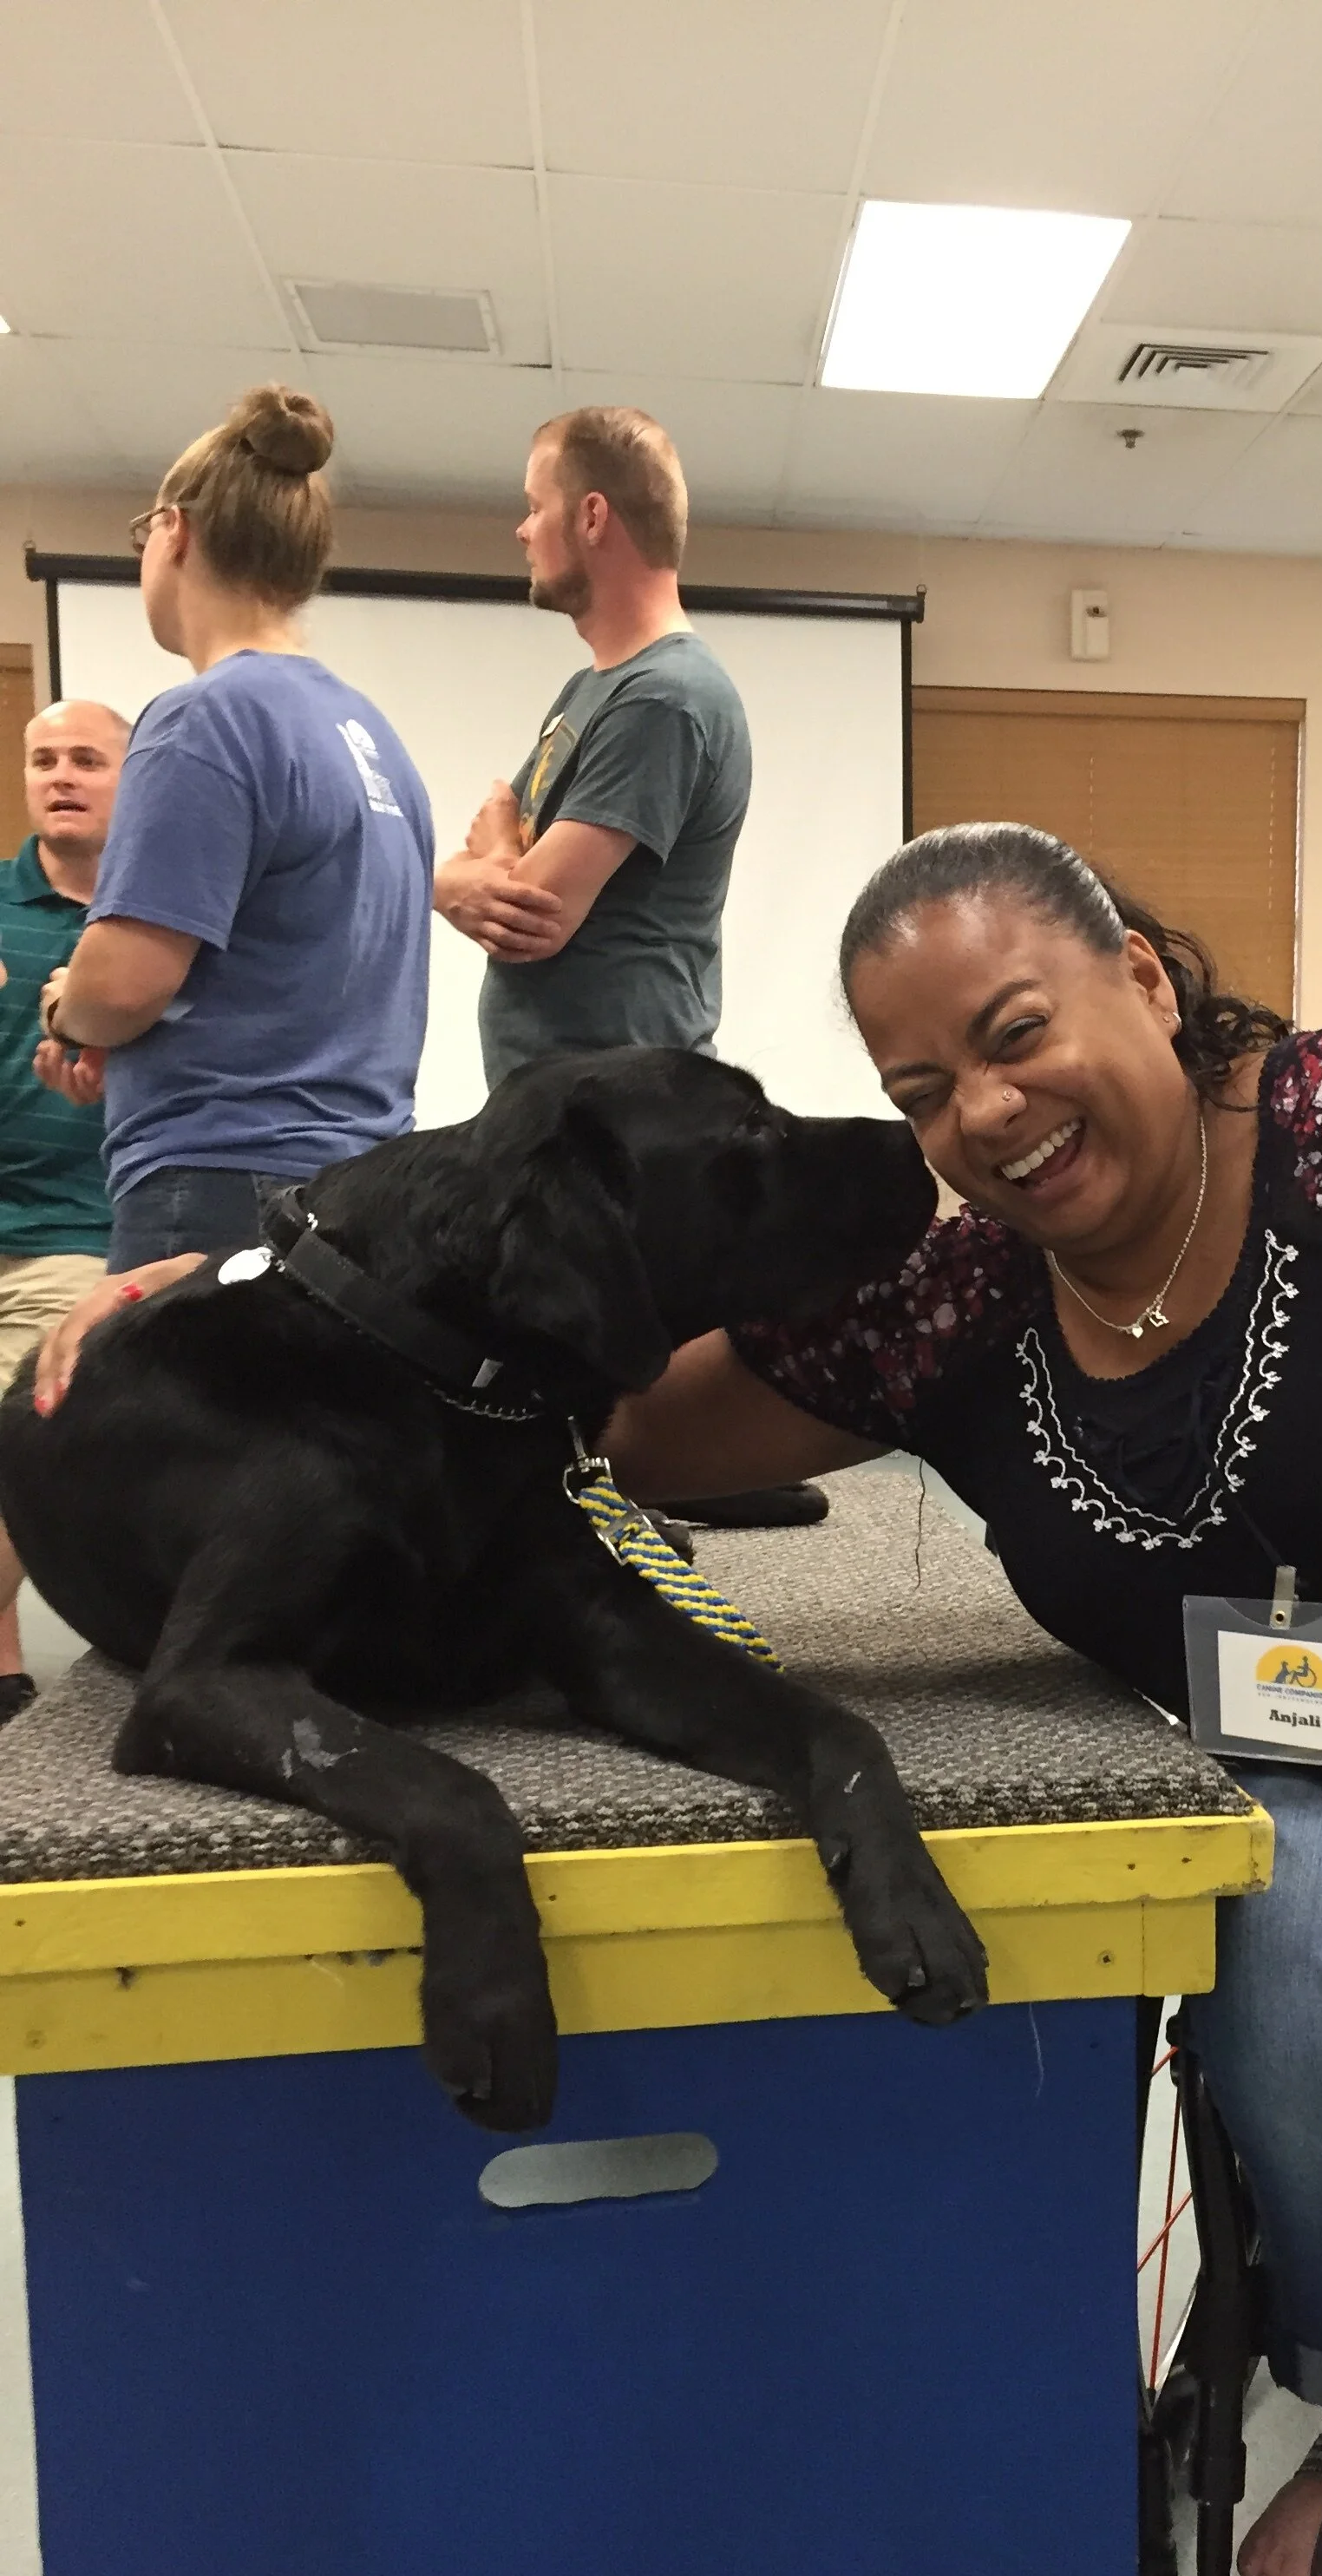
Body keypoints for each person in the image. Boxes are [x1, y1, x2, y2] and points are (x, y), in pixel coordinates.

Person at [32, 823, 1322, 2576]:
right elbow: (629, 1411)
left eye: (1015, 1032)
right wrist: (254, 1289)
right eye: (924, 1090)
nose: (983, 1115)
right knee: (1275, 1944)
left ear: (1145, 979)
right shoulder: (957, 1291)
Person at [35, 383, 432, 1274]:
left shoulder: (204, 720)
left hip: (218, 1190)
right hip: (359, 1194)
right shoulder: (374, 737)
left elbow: (126, 986)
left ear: (173, 532)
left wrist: (70, 1007)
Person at [432, 406, 751, 1091]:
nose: (522, 530)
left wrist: (486, 862)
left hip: (623, 1123)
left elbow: (529, 917)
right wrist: (461, 877)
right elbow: (494, 852)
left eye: (535, 506)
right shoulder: (592, 690)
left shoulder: (663, 697)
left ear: (592, 517)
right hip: (571, 1113)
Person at [0, 699, 128, 1723]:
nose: (61, 775)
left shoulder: (148, 920)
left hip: (80, 1233)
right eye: (44, 759)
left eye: (87, 758)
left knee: (14, 1428)